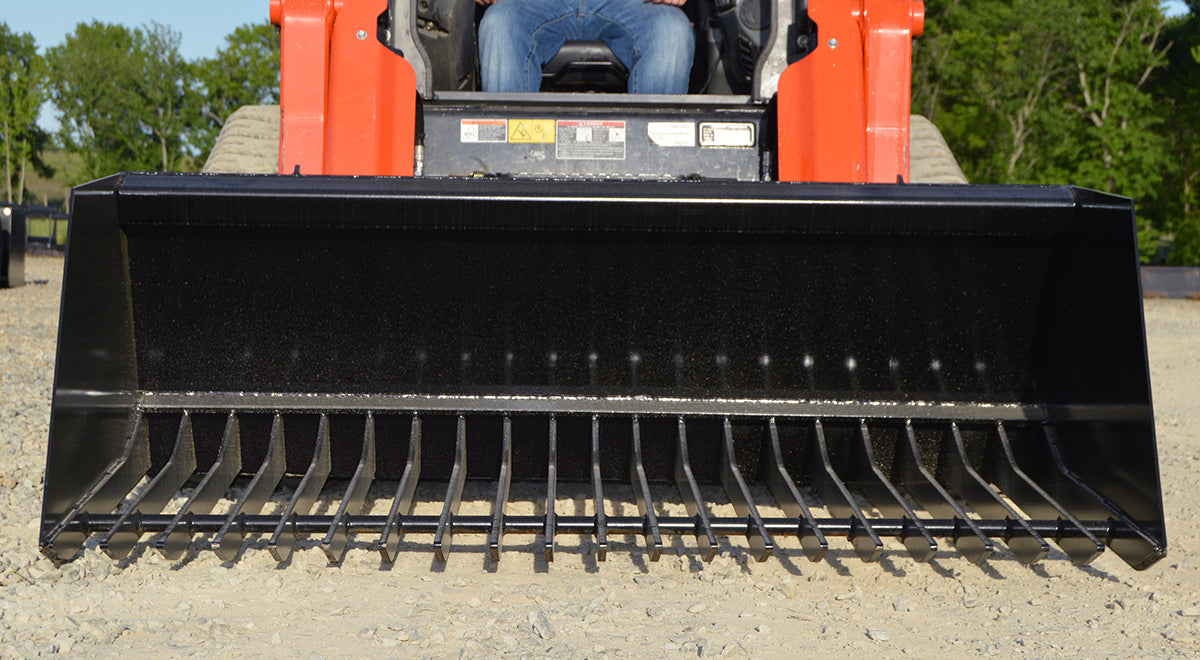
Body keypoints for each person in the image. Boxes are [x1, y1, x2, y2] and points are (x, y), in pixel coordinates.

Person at [477, 0, 694, 94]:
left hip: (633, 5)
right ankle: (504, 167)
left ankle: (656, 165)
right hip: (537, 4)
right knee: (500, 22)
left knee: (672, 29)